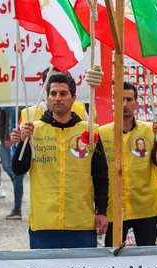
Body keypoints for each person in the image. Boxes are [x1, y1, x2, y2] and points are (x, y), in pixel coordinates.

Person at [11, 72, 109, 249]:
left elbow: (101, 175)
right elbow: (18, 169)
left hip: (81, 222)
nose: (57, 98)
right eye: (53, 93)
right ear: (47, 98)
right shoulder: (34, 130)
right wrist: (23, 142)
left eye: (63, 94)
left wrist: (102, 212)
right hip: (44, 222)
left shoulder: (90, 132)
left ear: (73, 98)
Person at [101, 82, 157, 247]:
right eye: (120, 99)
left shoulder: (151, 131)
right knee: (113, 259)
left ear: (137, 103)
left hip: (144, 207)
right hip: (114, 209)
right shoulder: (101, 133)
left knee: (147, 258)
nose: (124, 104)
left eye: (129, 99)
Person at [20, 67, 88, 124]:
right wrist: (20, 139)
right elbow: (22, 138)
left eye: (63, 94)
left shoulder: (80, 110)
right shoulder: (29, 114)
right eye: (52, 80)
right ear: (44, 86)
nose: (58, 98)